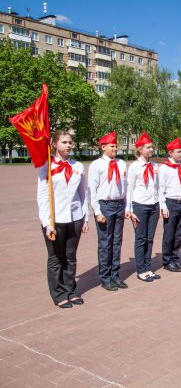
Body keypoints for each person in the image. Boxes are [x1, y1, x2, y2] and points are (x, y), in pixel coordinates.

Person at [38, 130, 89, 308]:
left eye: (70, 142)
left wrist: (85, 218)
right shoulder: (46, 167)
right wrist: (46, 223)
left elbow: (83, 194)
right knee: (55, 258)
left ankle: (71, 290)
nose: (68, 145)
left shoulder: (78, 166)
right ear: (54, 144)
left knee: (70, 256)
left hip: (74, 218)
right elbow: (43, 197)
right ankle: (58, 293)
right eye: (64, 142)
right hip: (55, 220)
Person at [88, 131, 128, 291]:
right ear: (103, 147)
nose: (115, 149)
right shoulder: (96, 165)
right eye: (112, 146)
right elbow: (93, 190)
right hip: (105, 206)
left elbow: (125, 187)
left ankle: (115, 275)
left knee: (117, 242)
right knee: (105, 243)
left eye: (116, 146)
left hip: (119, 205)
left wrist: (126, 206)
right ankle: (105, 277)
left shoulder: (121, 163)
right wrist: (97, 211)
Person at [126, 132, 161, 282]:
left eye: (151, 147)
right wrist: (130, 210)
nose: (151, 150)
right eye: (148, 147)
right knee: (141, 238)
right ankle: (141, 269)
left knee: (150, 238)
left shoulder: (154, 165)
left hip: (153, 205)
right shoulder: (134, 167)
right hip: (140, 205)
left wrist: (159, 204)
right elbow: (129, 188)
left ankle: (148, 267)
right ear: (140, 149)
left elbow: (158, 187)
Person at [158, 138, 181, 273]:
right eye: (179, 151)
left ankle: (175, 258)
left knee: (179, 233)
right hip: (170, 203)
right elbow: (161, 188)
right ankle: (167, 260)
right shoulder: (164, 168)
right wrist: (163, 206)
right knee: (169, 234)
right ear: (170, 153)